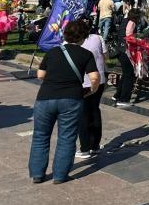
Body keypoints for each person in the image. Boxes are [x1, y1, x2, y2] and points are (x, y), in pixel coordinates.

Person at [28, 20, 100, 184]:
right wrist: (91, 91)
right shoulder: (85, 54)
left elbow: (40, 75)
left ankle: (37, 174)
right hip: (72, 98)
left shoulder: (53, 52)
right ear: (83, 37)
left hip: (45, 97)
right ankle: (60, 175)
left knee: (40, 136)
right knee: (67, 137)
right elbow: (95, 77)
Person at [76, 20, 107, 159]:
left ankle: (85, 148)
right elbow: (106, 56)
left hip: (83, 82)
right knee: (95, 110)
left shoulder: (71, 43)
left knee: (83, 114)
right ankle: (95, 146)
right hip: (99, 79)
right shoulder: (98, 38)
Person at [112, 7, 141, 107]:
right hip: (126, 51)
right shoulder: (132, 22)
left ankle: (117, 95)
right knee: (129, 75)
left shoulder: (125, 20)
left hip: (120, 50)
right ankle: (123, 99)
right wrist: (138, 40)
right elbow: (129, 36)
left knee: (125, 74)